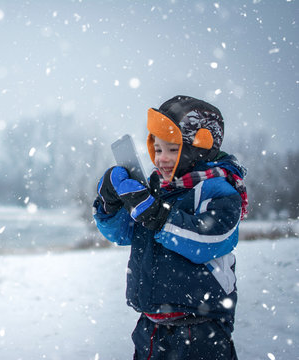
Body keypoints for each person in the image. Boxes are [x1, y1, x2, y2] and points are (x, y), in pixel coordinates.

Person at [93, 95, 248, 359]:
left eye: (173, 149)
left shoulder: (219, 189)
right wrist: (110, 203)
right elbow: (121, 233)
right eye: (157, 147)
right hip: (151, 326)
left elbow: (205, 240)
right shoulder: (156, 189)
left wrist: (157, 215)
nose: (161, 158)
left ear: (199, 148)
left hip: (200, 329)